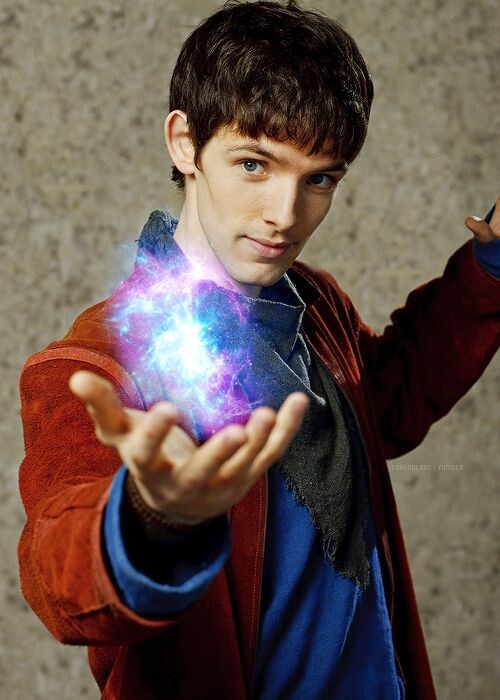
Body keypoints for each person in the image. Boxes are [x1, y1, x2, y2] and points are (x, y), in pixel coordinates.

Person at [17, 1, 500, 698]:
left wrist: (489, 267)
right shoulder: (95, 362)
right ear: (185, 143)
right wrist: (149, 516)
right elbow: (57, 576)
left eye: (319, 179)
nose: (285, 215)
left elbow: (385, 407)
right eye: (253, 164)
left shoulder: (313, 301)